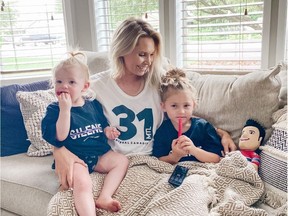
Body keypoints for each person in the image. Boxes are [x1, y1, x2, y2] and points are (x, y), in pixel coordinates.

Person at [52, 17, 237, 191]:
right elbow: (65, 116)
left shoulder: (159, 83)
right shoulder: (96, 86)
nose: (148, 62)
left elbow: (181, 112)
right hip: (113, 162)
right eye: (141, 54)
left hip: (153, 161)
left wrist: (222, 133)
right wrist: (58, 149)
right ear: (122, 50)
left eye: (151, 55)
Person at [41, 51, 129, 215]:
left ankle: (105, 197)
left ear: (85, 86)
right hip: (74, 159)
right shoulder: (54, 109)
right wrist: (65, 111)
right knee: (83, 183)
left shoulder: (93, 105)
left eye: (71, 82)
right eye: (59, 81)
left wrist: (108, 131)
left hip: (98, 154)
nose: (64, 86)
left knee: (121, 161)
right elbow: (60, 137)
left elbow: (101, 126)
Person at [152, 68, 223, 164]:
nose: (181, 111)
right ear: (163, 107)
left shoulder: (203, 127)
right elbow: (158, 160)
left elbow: (216, 158)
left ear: (194, 105)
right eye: (174, 106)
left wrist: (194, 150)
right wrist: (174, 156)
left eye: (186, 106)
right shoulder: (162, 130)